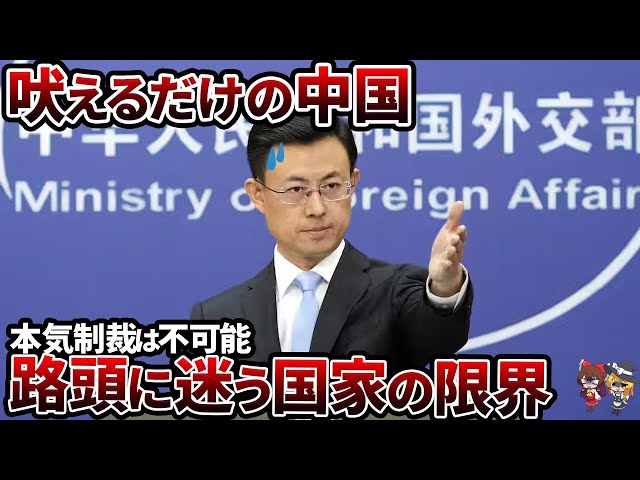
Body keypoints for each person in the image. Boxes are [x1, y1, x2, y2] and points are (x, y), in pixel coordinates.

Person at [190, 115, 473, 376]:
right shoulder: (215, 318)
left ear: (353, 183)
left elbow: (438, 339)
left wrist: (444, 288)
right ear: (258, 195)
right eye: (296, 190)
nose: (317, 208)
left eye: (332, 186)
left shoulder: (395, 292)